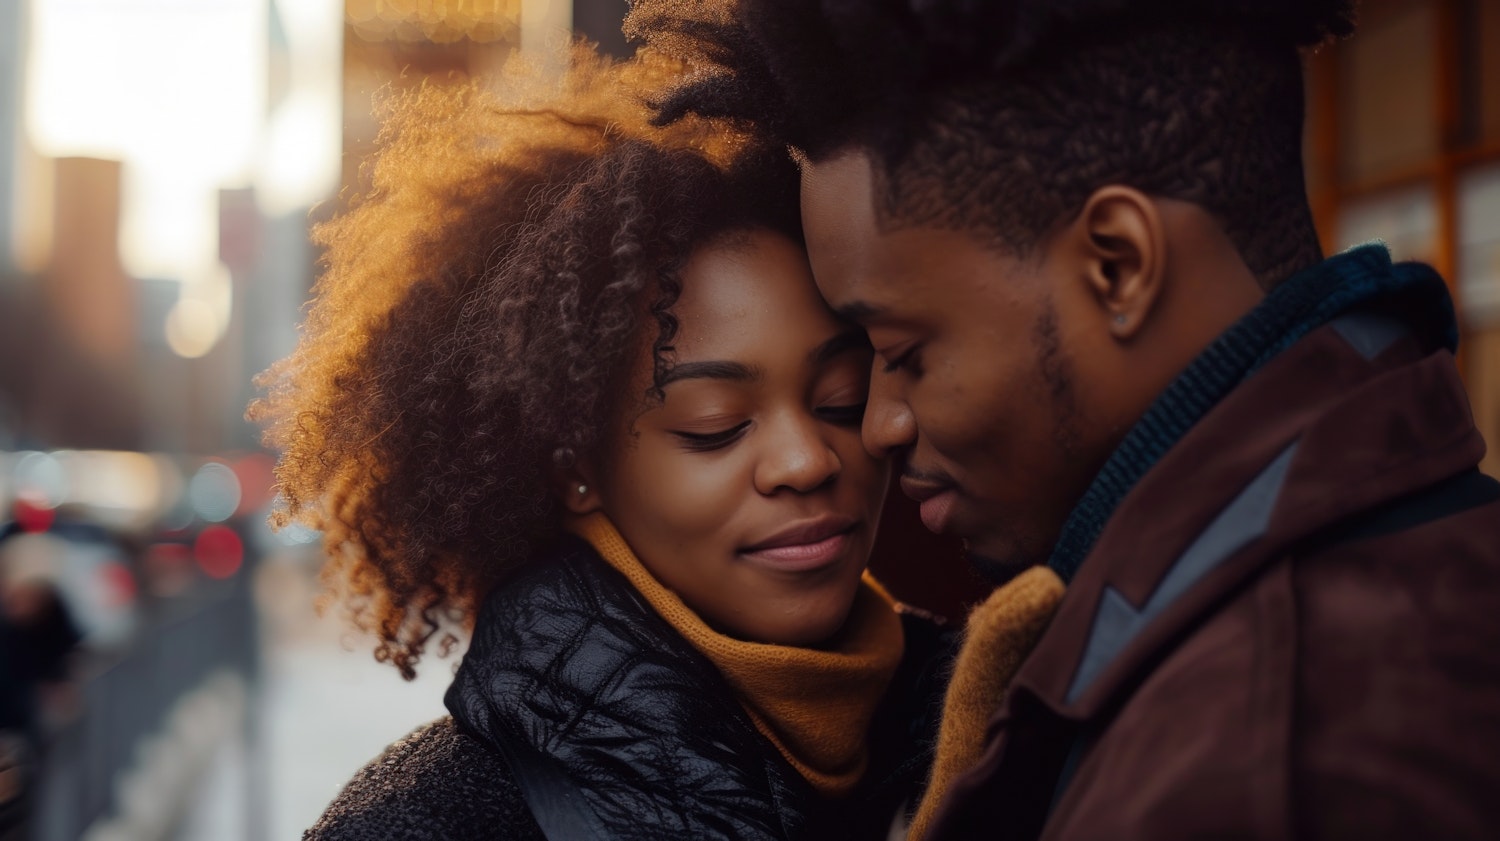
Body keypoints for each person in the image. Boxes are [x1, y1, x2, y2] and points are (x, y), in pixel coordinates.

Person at [627, 1, 1500, 838]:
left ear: (1117, 266)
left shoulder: (1255, 757)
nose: (883, 424)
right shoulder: (1413, 549)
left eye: (904, 352)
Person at [251, 50, 951, 841]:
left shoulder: (1003, 730)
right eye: (715, 424)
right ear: (575, 468)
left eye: (841, 399)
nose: (807, 460)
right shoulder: (425, 826)